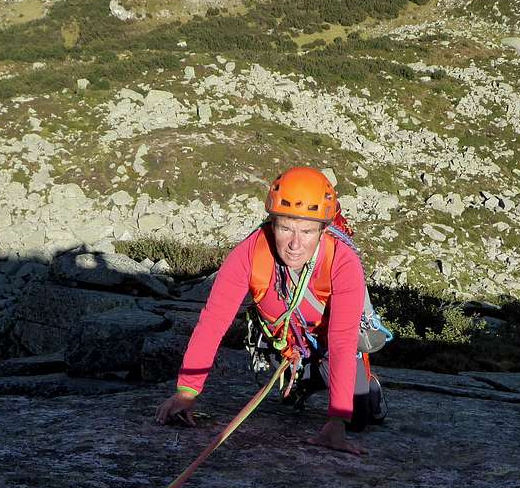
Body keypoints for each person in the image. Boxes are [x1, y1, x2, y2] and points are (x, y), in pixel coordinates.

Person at [155, 166, 385, 455]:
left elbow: (341, 338)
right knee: (288, 399)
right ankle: (304, 377)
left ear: (324, 230)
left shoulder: (342, 260)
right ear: (272, 222)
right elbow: (213, 322)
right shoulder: (250, 253)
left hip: (329, 342)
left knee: (359, 414)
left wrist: (337, 420)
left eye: (307, 231)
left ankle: (366, 390)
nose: (294, 244)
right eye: (286, 228)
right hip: (285, 344)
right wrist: (187, 392)